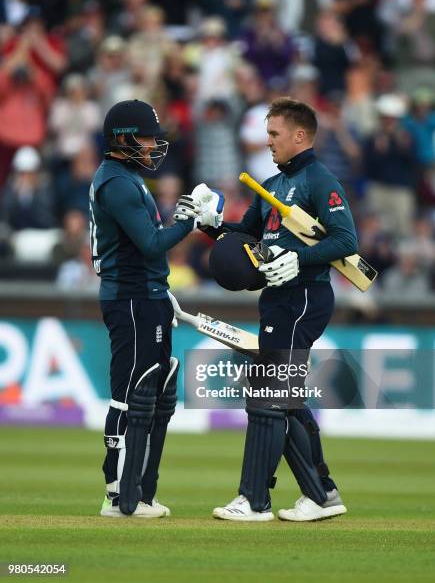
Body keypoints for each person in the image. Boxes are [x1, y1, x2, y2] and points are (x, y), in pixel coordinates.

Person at [206, 97, 357, 521]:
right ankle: (321, 493)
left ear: (300, 135)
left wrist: (300, 259)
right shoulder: (270, 186)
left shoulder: (319, 180)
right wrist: (209, 225)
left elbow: (346, 242)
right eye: (267, 133)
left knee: (267, 393)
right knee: (283, 398)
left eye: (274, 134)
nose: (267, 141)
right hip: (278, 300)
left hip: (303, 298)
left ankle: (255, 500)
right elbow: (246, 237)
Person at [90, 99, 222, 518]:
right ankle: (117, 493)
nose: (153, 145)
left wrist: (188, 226)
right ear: (124, 138)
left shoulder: (125, 178)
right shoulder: (116, 183)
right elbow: (150, 244)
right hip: (130, 300)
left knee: (153, 393)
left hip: (144, 295)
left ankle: (140, 492)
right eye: (146, 137)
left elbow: (148, 244)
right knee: (132, 395)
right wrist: (189, 223)